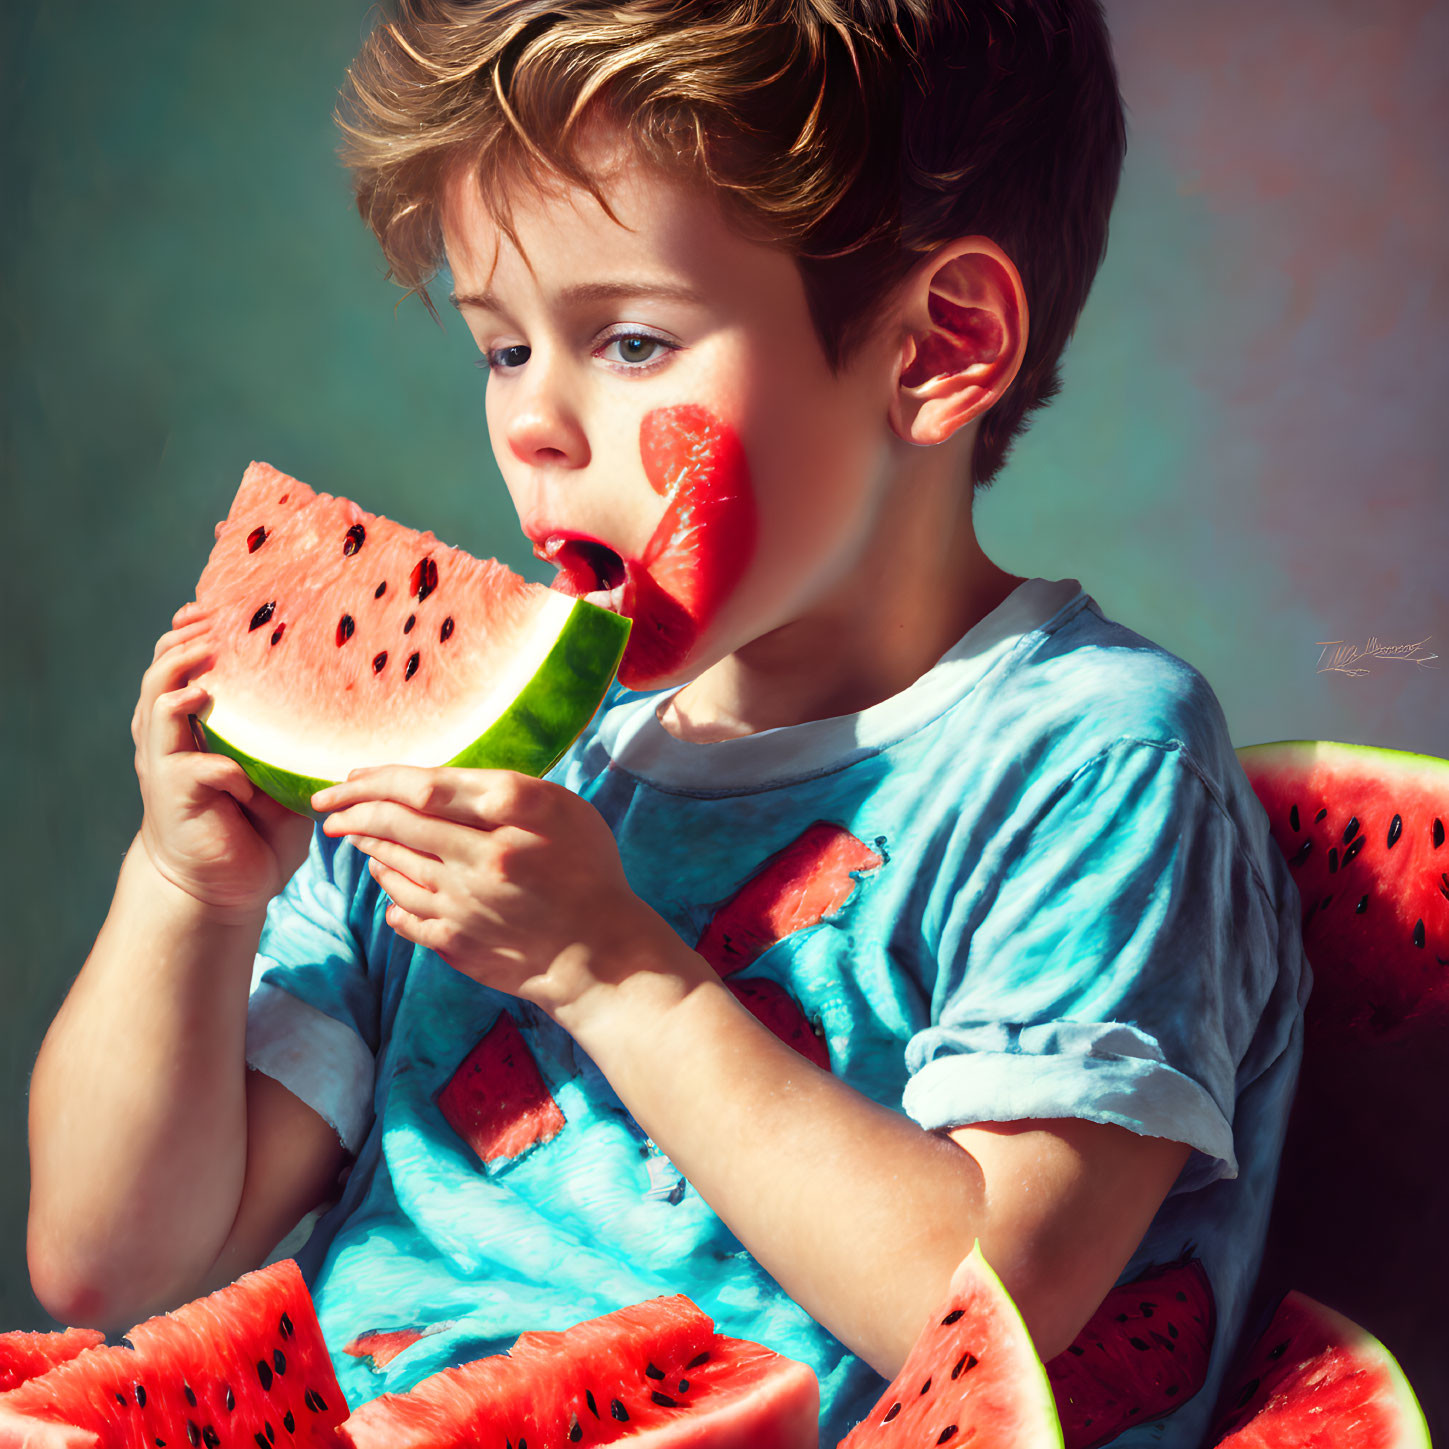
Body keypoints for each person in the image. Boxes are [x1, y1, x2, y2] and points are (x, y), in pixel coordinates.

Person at [27, 0, 1310, 1441]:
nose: (532, 425)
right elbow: (107, 1262)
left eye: (629, 341)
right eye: (502, 349)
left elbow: (983, 1324)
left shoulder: (1089, 754)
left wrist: (613, 973)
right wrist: (184, 891)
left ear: (935, 348)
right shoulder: (480, 759)